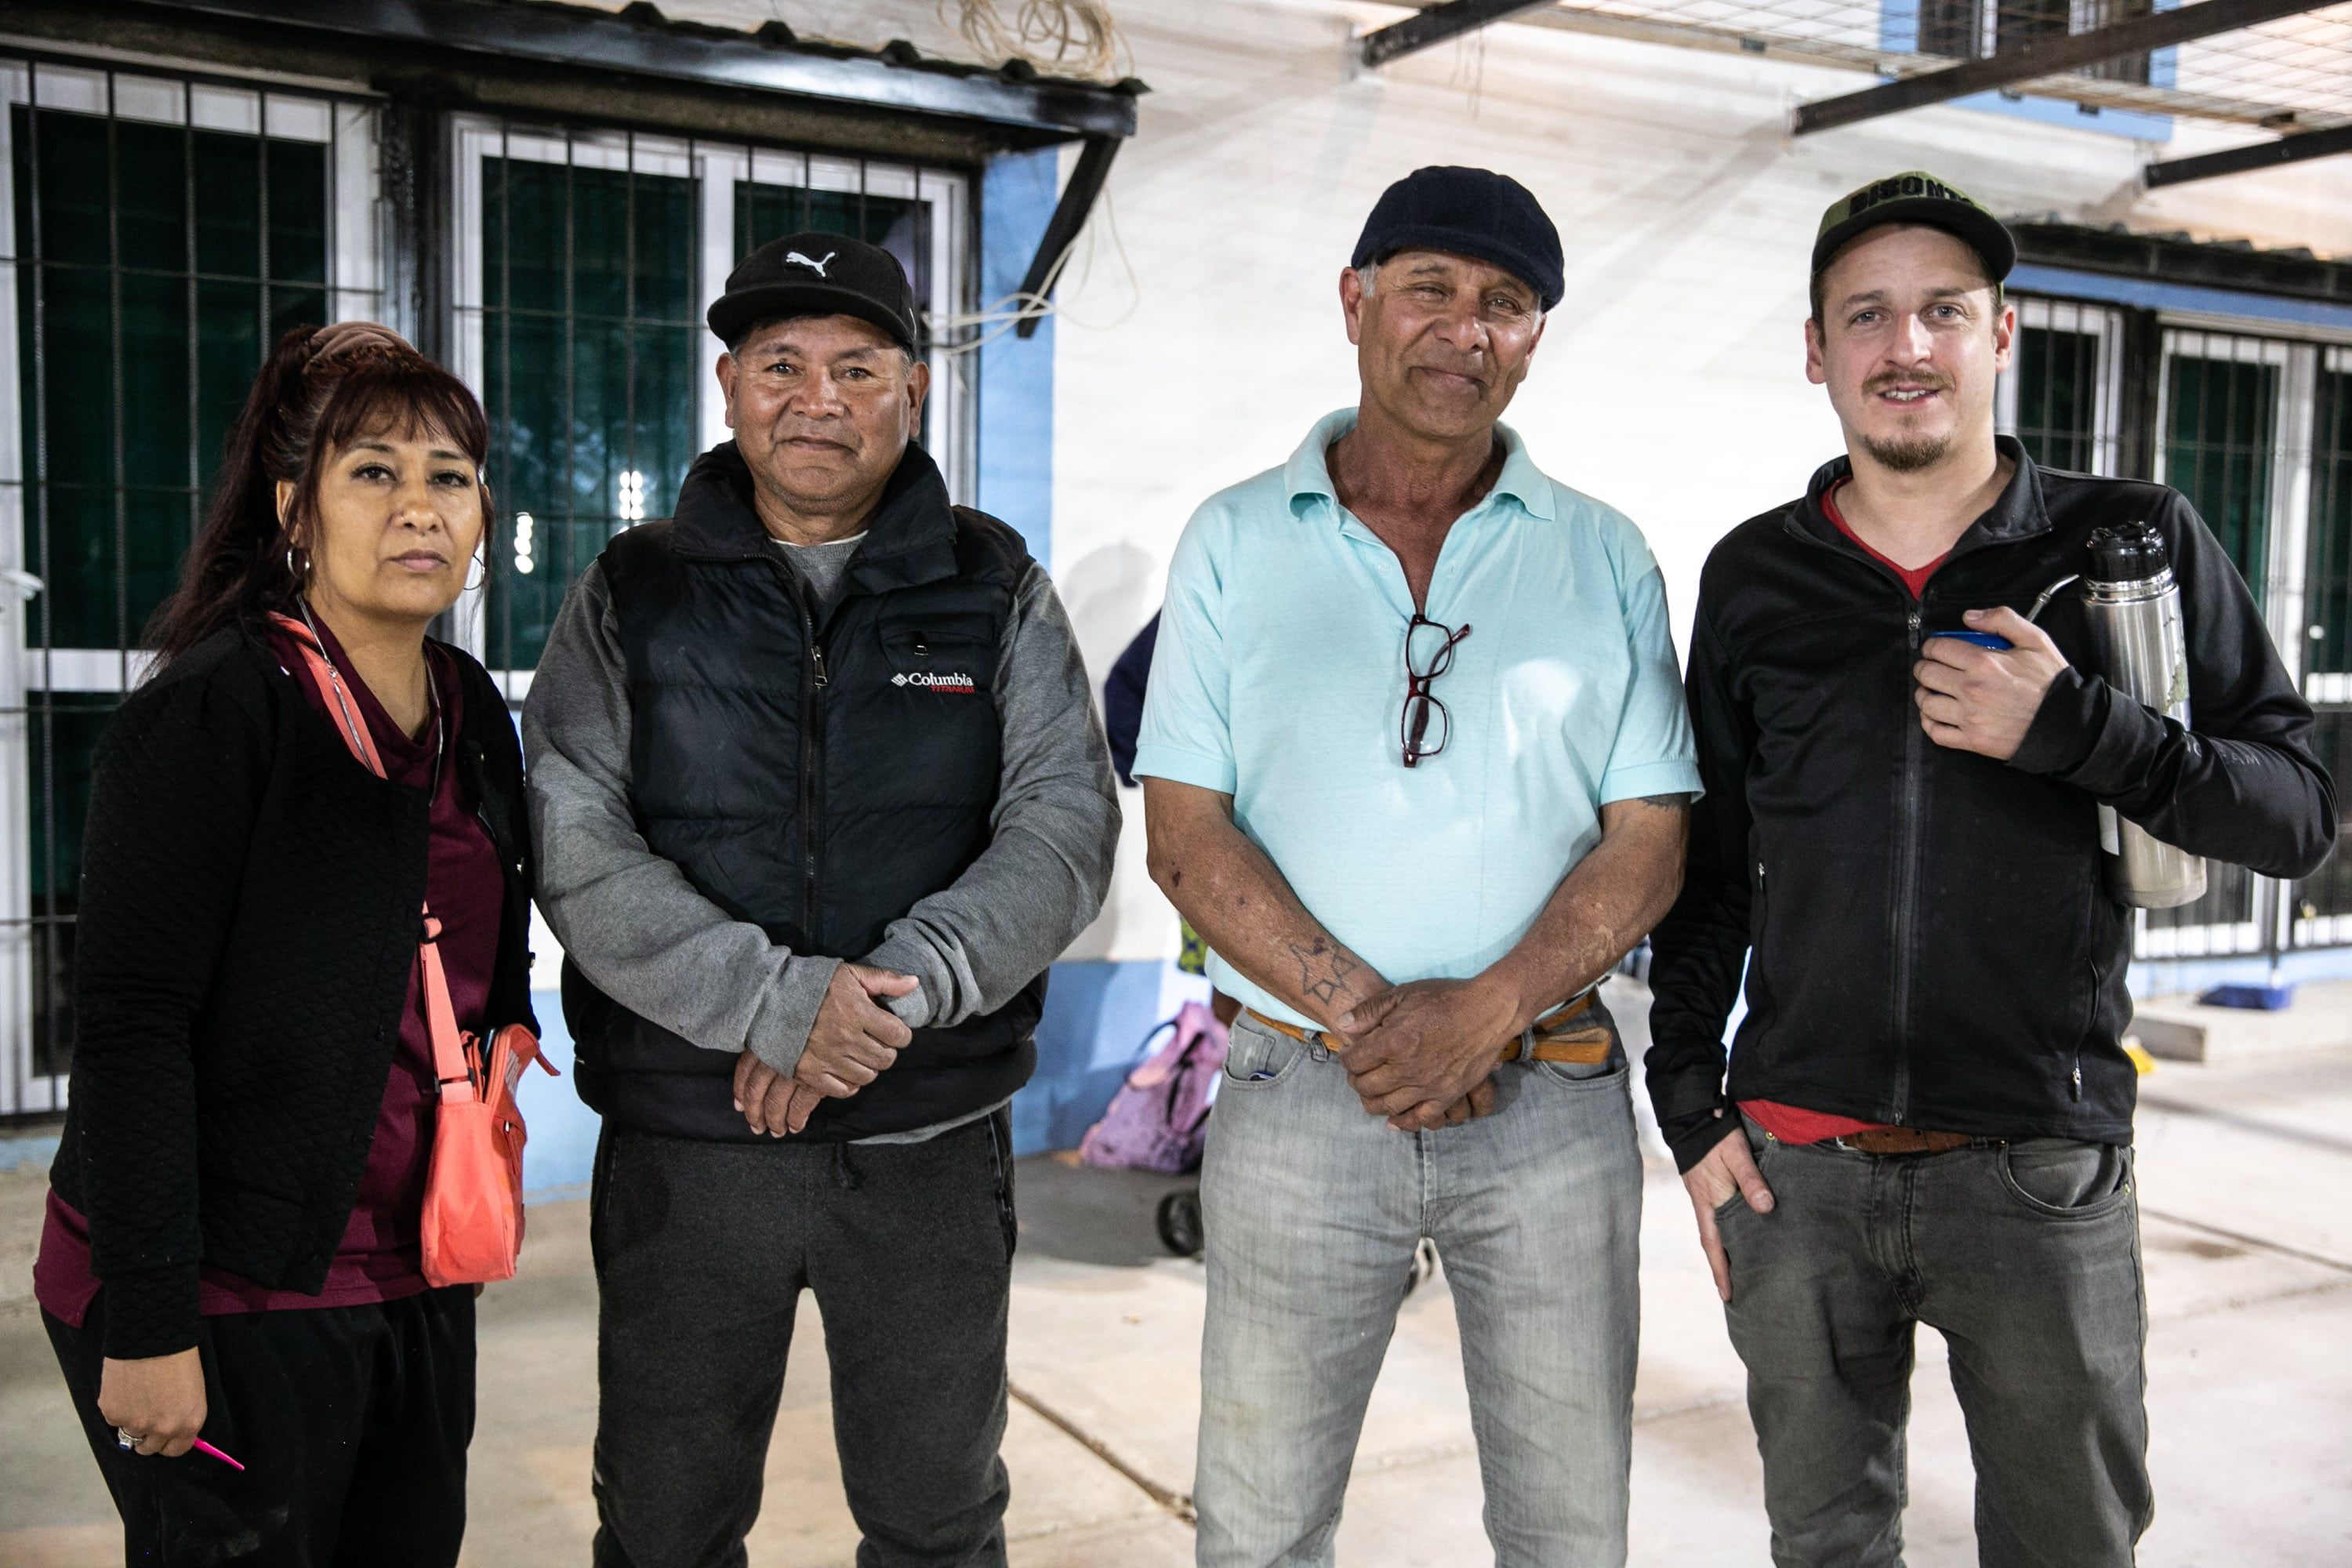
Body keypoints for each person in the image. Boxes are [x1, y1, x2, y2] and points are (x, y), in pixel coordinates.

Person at [1646, 172, 2336, 1568]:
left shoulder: (2125, 544)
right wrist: (1691, 1108)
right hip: (1797, 1170)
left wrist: (2082, 729)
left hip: (2039, 1167)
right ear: (1817, 350)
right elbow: (1707, 866)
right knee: (1825, 1546)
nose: (1906, 347)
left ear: (2002, 334)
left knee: (2069, 1546)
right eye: (1867, 315)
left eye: (1944, 311)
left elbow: (2299, 811)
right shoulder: (1757, 576)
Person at [525, 233, 1119, 1568]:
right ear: (729, 385)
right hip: (691, 1139)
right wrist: (775, 1002)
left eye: (857, 367)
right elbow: (571, 834)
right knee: (666, 1528)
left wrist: (882, 1001)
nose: (819, 399)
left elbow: (1066, 825)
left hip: (923, 1140)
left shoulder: (994, 587)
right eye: (782, 364)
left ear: (914, 387)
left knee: (936, 1524)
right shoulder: (632, 590)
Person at [1138, 165, 1700, 1567]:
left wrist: (1487, 1010)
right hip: (1296, 1096)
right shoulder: (1232, 539)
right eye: (1429, 289)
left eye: (1503, 303)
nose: (1464, 329)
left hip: (1554, 1097)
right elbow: (1186, 834)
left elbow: (1651, 840)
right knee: (1260, 1524)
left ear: (1536, 337)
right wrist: (1382, 1026)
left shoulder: (1605, 554)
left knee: (1570, 1526)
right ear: (1356, 303)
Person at [34, 322, 533, 1566]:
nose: (417, 508)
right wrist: (152, 1320)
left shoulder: (471, 707)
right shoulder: (212, 713)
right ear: (293, 509)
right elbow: (134, 1028)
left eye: (449, 476)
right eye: (373, 472)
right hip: (226, 1283)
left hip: (420, 1267)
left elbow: (488, 963)